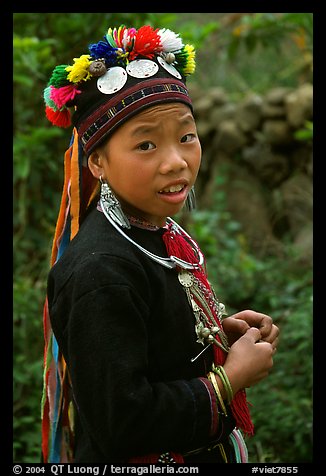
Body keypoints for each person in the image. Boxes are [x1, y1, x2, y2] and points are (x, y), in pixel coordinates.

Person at [41, 24, 279, 464]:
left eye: (186, 136)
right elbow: (122, 424)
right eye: (146, 144)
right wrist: (229, 380)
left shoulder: (153, 230)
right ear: (98, 162)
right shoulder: (99, 271)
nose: (176, 161)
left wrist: (218, 334)